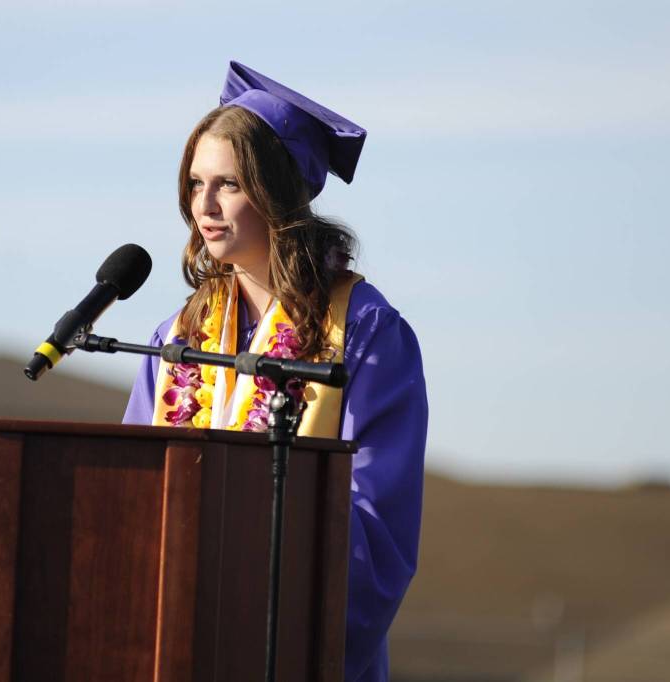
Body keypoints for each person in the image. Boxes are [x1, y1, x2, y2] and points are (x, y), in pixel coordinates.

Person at [122, 61, 427, 681]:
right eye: (195, 183)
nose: (202, 206)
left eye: (228, 184)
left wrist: (268, 617)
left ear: (279, 192)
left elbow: (377, 528)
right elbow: (133, 491)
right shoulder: (179, 337)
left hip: (286, 651)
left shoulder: (363, 332)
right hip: (175, 648)